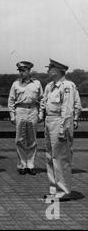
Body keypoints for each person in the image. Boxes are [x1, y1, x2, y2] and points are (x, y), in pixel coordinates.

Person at [39, 59, 81, 202]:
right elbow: (43, 102)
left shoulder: (67, 86)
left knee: (60, 158)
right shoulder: (50, 86)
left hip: (60, 122)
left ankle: (63, 191)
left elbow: (67, 110)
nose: (48, 70)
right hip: (49, 121)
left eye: (50, 68)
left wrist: (63, 128)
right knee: (50, 157)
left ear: (57, 70)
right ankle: (54, 188)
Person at [8, 61, 43, 175]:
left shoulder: (37, 83)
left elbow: (42, 99)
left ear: (29, 71)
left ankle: (31, 164)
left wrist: (41, 113)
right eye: (20, 71)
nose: (21, 73)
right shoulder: (15, 84)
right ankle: (22, 164)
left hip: (33, 110)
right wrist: (12, 115)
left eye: (23, 71)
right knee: (20, 139)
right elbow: (11, 100)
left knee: (32, 139)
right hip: (20, 110)